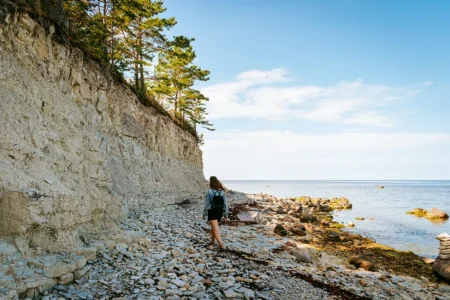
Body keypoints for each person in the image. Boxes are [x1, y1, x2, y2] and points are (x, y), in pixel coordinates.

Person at [203, 176, 229, 248]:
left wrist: (204, 214)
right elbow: (225, 204)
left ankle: (221, 244)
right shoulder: (222, 191)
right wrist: (226, 214)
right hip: (219, 211)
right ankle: (212, 241)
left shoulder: (209, 191)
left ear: (211, 182)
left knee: (215, 227)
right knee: (213, 227)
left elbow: (206, 204)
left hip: (212, 210)